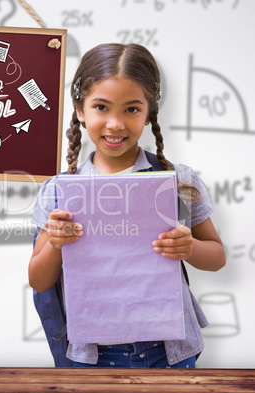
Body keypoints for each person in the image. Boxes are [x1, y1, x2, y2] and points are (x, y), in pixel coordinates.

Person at [28, 43, 226, 368]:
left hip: (169, 351)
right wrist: (55, 245)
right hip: (94, 355)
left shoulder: (178, 181)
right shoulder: (58, 192)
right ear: (80, 110)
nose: (116, 123)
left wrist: (189, 247)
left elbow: (217, 257)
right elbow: (38, 281)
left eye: (132, 109)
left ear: (149, 113)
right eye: (101, 107)